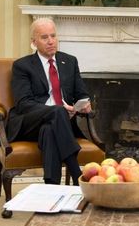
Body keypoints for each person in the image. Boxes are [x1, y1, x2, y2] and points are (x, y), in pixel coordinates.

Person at [6, 18, 92, 185]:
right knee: (58, 111)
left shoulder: (70, 61)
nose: (51, 41)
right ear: (33, 42)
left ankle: (51, 186)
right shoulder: (22, 66)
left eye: (53, 36)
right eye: (45, 37)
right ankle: (76, 174)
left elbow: (82, 94)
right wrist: (57, 109)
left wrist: (84, 105)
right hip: (29, 122)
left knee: (49, 130)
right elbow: (23, 103)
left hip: (60, 124)